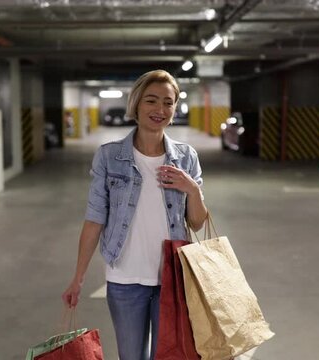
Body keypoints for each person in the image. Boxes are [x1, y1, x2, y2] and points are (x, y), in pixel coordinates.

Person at [62, 70, 208, 360]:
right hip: (125, 278)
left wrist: (192, 189)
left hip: (172, 278)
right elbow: (95, 219)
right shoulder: (108, 156)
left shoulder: (186, 157)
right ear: (136, 105)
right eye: (151, 101)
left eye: (168, 102)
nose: (160, 110)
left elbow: (198, 222)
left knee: (168, 356)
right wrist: (78, 278)